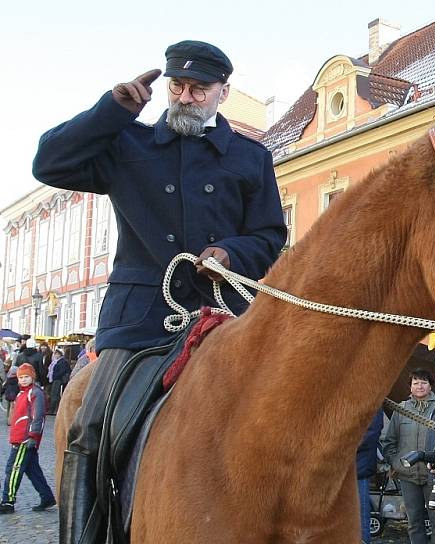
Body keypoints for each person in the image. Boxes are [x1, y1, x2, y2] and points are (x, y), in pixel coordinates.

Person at [32, 39, 286, 542]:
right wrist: (112, 111)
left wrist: (231, 253)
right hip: (140, 316)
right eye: (177, 87)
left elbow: (270, 235)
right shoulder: (129, 144)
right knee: (90, 426)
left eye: (198, 89)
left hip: (226, 312)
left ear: (222, 93)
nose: (185, 97)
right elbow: (49, 163)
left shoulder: (250, 157)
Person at [382, 369, 435, 544]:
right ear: (410, 386)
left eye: (424, 382)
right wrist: (397, 464)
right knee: (414, 521)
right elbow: (388, 442)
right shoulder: (401, 409)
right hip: (408, 476)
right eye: (416, 383)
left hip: (433, 475)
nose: (419, 386)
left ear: (431, 386)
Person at [0, 364, 57, 514]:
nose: (24, 380)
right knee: (33, 471)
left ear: (32, 377)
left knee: (13, 470)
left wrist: (33, 435)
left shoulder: (35, 393)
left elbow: (38, 416)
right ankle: (47, 497)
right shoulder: (21, 394)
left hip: (25, 439)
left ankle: (7, 502)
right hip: (20, 437)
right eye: (21, 377)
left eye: (26, 377)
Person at [357, 408, 384, 544]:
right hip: (337, 464)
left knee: (361, 511)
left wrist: (345, 446)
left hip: (358, 464)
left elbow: (373, 430)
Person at [48, 348, 71, 415]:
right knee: (55, 394)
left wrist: (55, 376)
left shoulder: (62, 361)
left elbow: (62, 371)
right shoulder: (56, 361)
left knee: (55, 395)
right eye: (55, 354)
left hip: (58, 380)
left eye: (57, 354)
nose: (55, 355)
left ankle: (53, 410)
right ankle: (53, 409)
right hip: (56, 379)